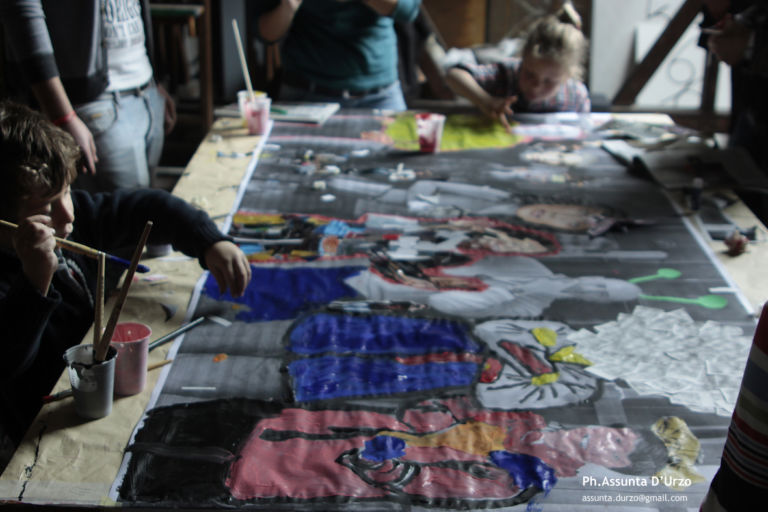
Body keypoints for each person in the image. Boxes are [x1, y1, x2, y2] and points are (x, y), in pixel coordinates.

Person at [0, 101, 251, 469]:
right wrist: (35, 279)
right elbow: (8, 362)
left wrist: (208, 240)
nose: (68, 214)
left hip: (103, 393)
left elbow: (147, 206)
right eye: (48, 206)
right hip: (43, 426)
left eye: (67, 192)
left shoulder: (71, 219)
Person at [0, 0, 177, 193]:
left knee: (147, 201)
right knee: (126, 208)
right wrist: (62, 115)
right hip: (94, 103)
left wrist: (154, 81)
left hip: (145, 88)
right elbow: (21, 9)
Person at [252, 0, 422, 111]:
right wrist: (288, 6)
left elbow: (408, 10)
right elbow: (265, 34)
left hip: (380, 95)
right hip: (305, 94)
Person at [445, 14, 590, 131]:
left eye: (549, 81)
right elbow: (453, 75)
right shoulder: (506, 74)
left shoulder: (576, 96)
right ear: (522, 59)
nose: (536, 86)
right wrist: (485, 100)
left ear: (567, 76)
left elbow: (584, 132)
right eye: (530, 74)